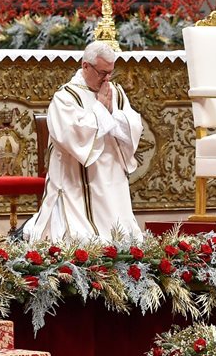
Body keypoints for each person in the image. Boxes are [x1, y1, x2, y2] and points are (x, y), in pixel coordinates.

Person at [24, 41, 143, 241]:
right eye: (102, 73)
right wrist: (101, 111)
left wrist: (112, 112)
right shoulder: (66, 97)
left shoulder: (116, 92)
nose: (107, 78)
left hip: (112, 171)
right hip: (77, 174)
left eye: (110, 72)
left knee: (121, 233)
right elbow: (73, 136)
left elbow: (134, 125)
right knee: (80, 238)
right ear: (85, 66)